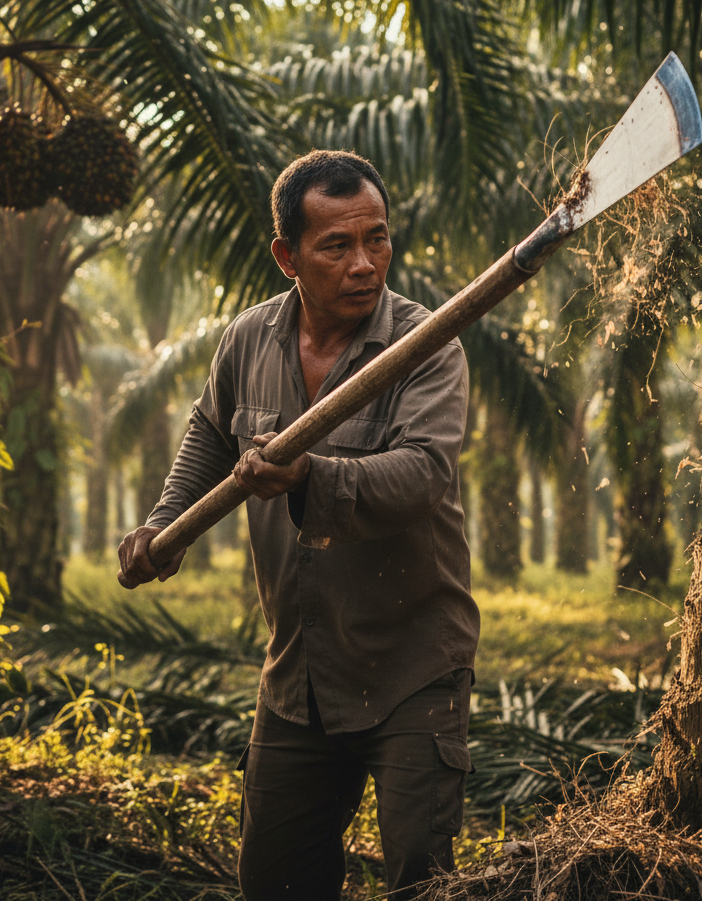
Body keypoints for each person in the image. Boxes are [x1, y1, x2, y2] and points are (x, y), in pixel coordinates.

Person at [118, 150, 479, 900]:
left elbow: (422, 477)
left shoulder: (429, 344)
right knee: (276, 879)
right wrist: (165, 527)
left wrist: (314, 478)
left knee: (421, 877)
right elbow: (208, 437)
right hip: (299, 674)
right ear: (287, 255)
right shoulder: (248, 341)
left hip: (412, 665)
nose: (364, 264)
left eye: (376, 239)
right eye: (336, 246)